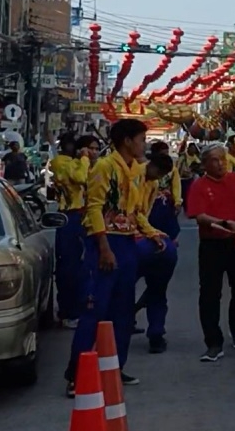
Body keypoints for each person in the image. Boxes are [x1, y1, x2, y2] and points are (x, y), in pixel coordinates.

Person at [64, 119, 169, 397]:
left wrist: (150, 233)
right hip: (105, 242)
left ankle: (114, 366)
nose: (143, 144)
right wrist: (104, 246)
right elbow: (95, 208)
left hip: (126, 243)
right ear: (127, 141)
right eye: (141, 139)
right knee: (95, 310)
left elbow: (134, 212)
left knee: (122, 311)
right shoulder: (104, 167)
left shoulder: (136, 170)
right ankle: (77, 375)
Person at [187, 144, 235, 362]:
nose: (220, 163)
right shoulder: (199, 185)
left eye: (223, 159)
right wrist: (223, 223)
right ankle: (213, 342)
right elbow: (199, 216)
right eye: (214, 160)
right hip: (212, 245)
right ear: (205, 164)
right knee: (209, 294)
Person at [134, 151, 179, 353]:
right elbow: (134, 213)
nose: (157, 178)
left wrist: (152, 233)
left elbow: (141, 214)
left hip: (140, 236)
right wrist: (152, 233)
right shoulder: (132, 176)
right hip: (133, 235)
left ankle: (155, 333)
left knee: (157, 291)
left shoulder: (152, 183)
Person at [49, 133, 96, 327]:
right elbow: (79, 177)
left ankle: (82, 305)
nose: (92, 152)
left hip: (85, 216)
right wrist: (84, 159)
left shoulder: (86, 163)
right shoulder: (61, 162)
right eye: (89, 148)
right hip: (69, 216)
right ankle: (68, 310)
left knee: (84, 266)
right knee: (69, 266)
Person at [178, 141, 202, 211]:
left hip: (189, 178)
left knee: (187, 193)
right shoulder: (183, 156)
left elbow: (199, 166)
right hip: (181, 178)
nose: (193, 150)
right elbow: (178, 166)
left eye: (194, 149)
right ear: (188, 148)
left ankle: (187, 208)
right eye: (192, 148)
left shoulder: (195, 158)